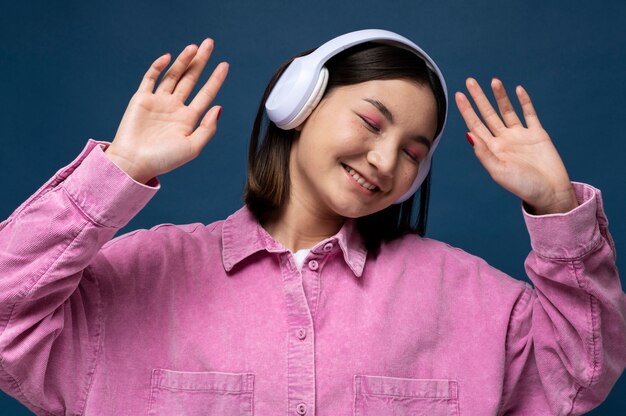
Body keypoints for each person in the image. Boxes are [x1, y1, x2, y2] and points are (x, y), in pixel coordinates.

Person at [0, 29, 624, 415]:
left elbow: (581, 373)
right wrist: (121, 168)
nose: (385, 160)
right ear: (297, 106)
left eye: (414, 151)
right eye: (372, 122)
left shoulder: (470, 298)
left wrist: (554, 206)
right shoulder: (140, 275)